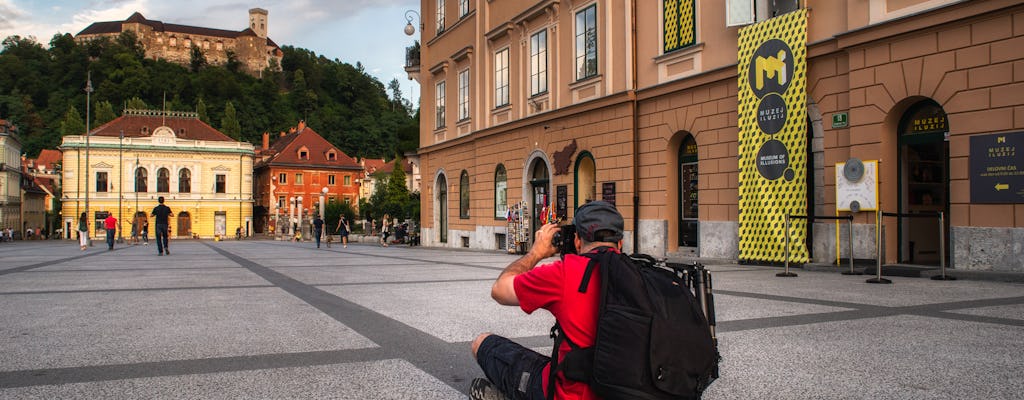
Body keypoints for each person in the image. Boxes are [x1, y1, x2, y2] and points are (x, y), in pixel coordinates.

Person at [470, 201, 625, 400]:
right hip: (624, 388)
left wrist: (537, 252)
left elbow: (499, 290)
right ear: (620, 243)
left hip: (568, 394)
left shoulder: (565, 274)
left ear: (577, 241)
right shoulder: (645, 276)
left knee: (482, 343)